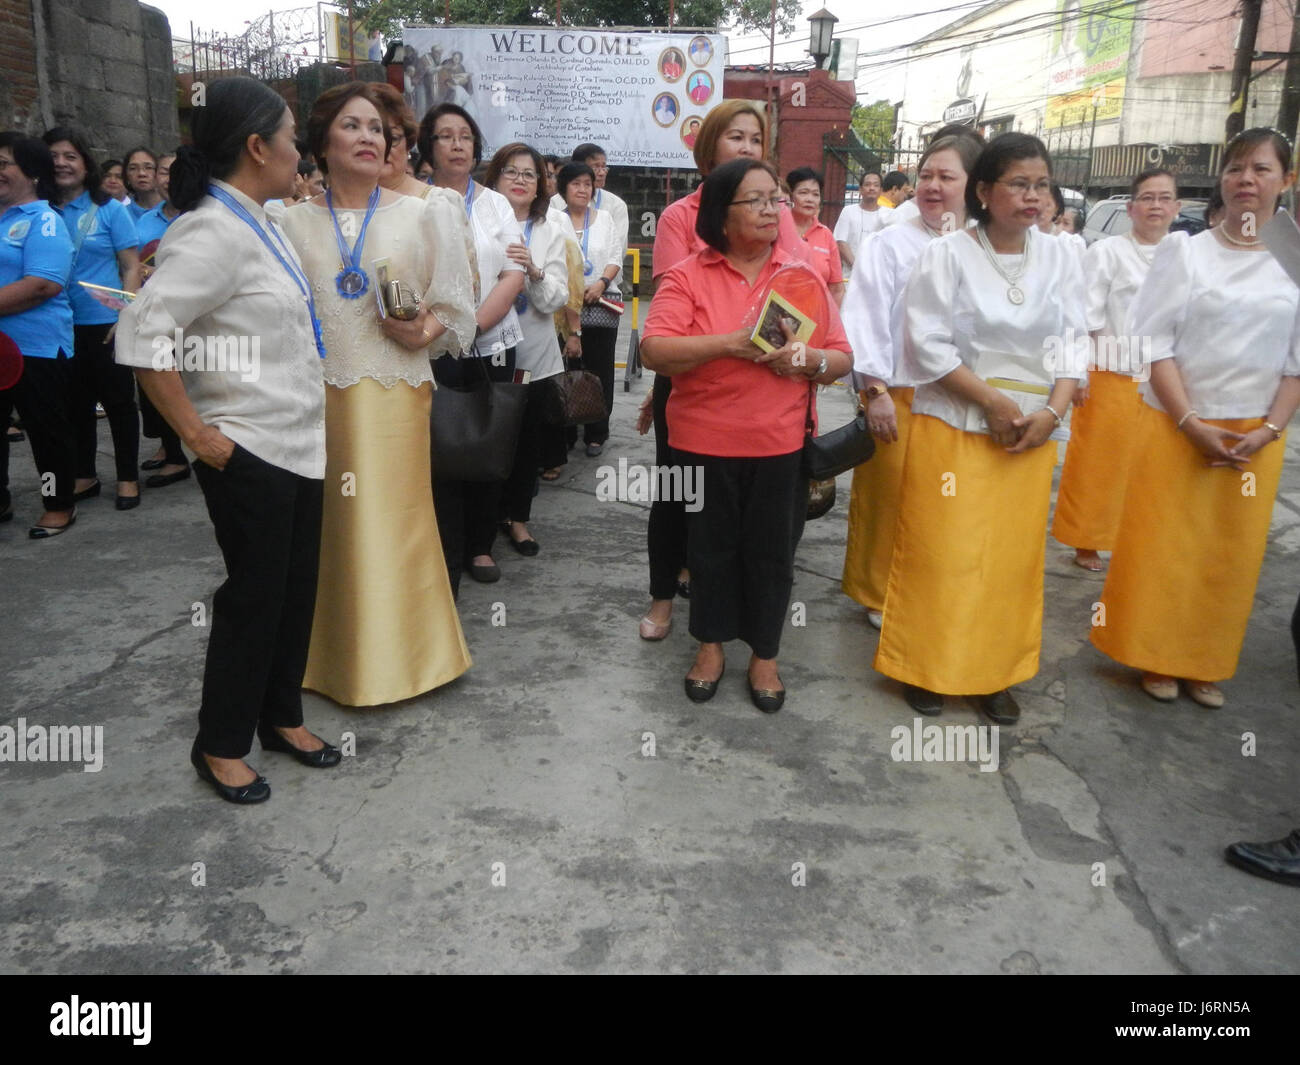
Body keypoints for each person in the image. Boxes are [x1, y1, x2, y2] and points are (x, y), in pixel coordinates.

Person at [115, 77, 341, 803]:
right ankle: (220, 742)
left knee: (293, 590)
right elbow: (144, 334)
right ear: (256, 147)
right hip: (248, 448)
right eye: (290, 136)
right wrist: (195, 434)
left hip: (299, 442)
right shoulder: (210, 228)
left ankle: (281, 716)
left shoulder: (262, 220)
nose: (299, 150)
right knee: (253, 596)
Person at [874, 132, 1084, 724]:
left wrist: (1052, 412)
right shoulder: (947, 254)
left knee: (1007, 563)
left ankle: (993, 672)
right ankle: (925, 665)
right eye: (1019, 183)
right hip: (958, 427)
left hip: (1031, 435)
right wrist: (990, 401)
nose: (1033, 196)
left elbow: (1074, 343)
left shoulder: (1064, 256)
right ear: (986, 191)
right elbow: (927, 343)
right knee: (943, 553)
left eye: (1041, 184)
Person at [280, 83, 476, 706]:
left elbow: (455, 301)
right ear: (322, 141)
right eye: (351, 126)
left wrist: (422, 330)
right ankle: (320, 658)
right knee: (325, 530)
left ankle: (407, 660)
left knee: (392, 525)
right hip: (314, 401)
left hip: (393, 395)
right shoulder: (286, 222)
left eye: (376, 129)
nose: (368, 137)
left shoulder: (426, 211)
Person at [1092, 128, 1300, 709]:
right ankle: (1154, 654)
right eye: (1235, 169)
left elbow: (1297, 363)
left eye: (1261, 169)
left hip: (1256, 435)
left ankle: (1204, 661)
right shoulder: (1187, 252)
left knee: (1226, 558)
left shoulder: (1296, 265)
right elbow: (1151, 343)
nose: (1246, 181)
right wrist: (1189, 422)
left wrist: (1269, 430)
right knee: (1165, 547)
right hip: (1176, 428)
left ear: (1286, 180)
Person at [641, 158, 852, 712]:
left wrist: (807, 360)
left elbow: (842, 357)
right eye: (755, 200)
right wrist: (730, 343)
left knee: (771, 555)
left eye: (775, 200)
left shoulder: (801, 276)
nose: (770, 209)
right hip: (702, 444)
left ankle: (765, 656)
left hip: (778, 445)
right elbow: (654, 350)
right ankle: (710, 648)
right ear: (722, 213)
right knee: (708, 553)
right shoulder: (689, 274)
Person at [638, 99, 809, 642]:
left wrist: (809, 364)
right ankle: (665, 596)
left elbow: (805, 287)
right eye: (736, 137)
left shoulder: (773, 213)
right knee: (677, 496)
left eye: (756, 140)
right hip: (692, 369)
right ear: (709, 146)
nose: (747, 147)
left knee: (757, 524)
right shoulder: (681, 217)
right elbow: (670, 320)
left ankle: (748, 621)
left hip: (769, 385)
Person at [840, 133, 983, 631]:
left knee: (947, 502)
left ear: (974, 186)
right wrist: (874, 392)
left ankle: (937, 588)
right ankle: (880, 592)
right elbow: (866, 321)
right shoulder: (888, 244)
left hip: (966, 399)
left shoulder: (984, 246)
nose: (932, 186)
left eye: (947, 177)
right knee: (891, 497)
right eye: (926, 175)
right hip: (900, 393)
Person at [419, 102, 526, 591]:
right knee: (439, 446)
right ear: (428, 146)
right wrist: (446, 331)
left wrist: (472, 326)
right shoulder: (414, 201)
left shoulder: (495, 204)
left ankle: (481, 543)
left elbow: (513, 271)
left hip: (491, 343)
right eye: (445, 136)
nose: (457, 144)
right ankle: (443, 546)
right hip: (430, 346)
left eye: (465, 135)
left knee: (487, 439)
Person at [1052, 168, 1179, 571]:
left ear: (1176, 207)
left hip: (1165, 374)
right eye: (1147, 198)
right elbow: (1085, 315)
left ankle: (1139, 537)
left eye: (1164, 198)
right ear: (1131, 207)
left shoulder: (1184, 253)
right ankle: (1087, 538)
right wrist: (1081, 372)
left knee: (1152, 463)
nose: (1155, 206)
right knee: (1100, 461)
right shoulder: (1107, 253)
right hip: (1113, 371)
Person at [44, 127, 143, 511]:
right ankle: (84, 474)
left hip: (103, 322)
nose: (61, 163)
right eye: (53, 156)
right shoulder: (42, 211)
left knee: (118, 402)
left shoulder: (110, 210)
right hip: (58, 323)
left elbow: (131, 265)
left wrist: (125, 313)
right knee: (74, 403)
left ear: (85, 163)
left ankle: (127, 477)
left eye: (70, 156)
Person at [488, 143, 570, 555]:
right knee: (484, 437)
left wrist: (534, 271)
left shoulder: (550, 229)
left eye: (529, 174)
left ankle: (518, 519)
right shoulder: (478, 221)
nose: (520, 180)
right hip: (484, 349)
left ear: (540, 184)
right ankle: (481, 524)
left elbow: (556, 299)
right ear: (495, 176)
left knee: (525, 443)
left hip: (533, 355)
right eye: (511, 171)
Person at [0, 132, 76, 537]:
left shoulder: (44, 220)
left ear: (30, 172)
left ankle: (58, 502)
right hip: (0, 349)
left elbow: (43, 284)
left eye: (3, 164)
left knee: (45, 430)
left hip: (37, 346)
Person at [555, 161, 621, 459]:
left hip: (600, 305)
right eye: (576, 184)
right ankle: (567, 430)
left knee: (600, 371)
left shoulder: (605, 218)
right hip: (565, 308)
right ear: (564, 188)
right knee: (568, 370)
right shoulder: (554, 220)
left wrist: (602, 283)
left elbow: (614, 256)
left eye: (587, 184)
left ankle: (597, 432)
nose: (583, 189)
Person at [134, 152, 188, 482]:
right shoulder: (142, 222)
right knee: (157, 380)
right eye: (164, 172)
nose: (168, 179)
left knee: (189, 381)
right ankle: (172, 449)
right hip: (152, 314)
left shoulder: (199, 216)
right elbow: (130, 264)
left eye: (176, 173)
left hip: (190, 317)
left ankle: (183, 450)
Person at [786, 167, 845, 305]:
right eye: (803, 193)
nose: (810, 199)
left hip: (817, 317)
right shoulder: (778, 231)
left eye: (815, 194)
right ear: (790, 195)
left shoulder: (826, 235)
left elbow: (836, 288)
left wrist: (831, 322)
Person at [833, 170, 886, 269]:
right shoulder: (848, 211)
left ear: (881, 190)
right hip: (850, 277)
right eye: (867, 184)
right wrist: (858, 269)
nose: (871, 188)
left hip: (879, 276)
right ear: (860, 189)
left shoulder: (888, 215)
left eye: (876, 185)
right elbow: (840, 242)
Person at [123, 146, 160, 223]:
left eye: (148, 167)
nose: (141, 173)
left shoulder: (173, 211)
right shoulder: (121, 215)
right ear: (126, 176)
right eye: (133, 168)